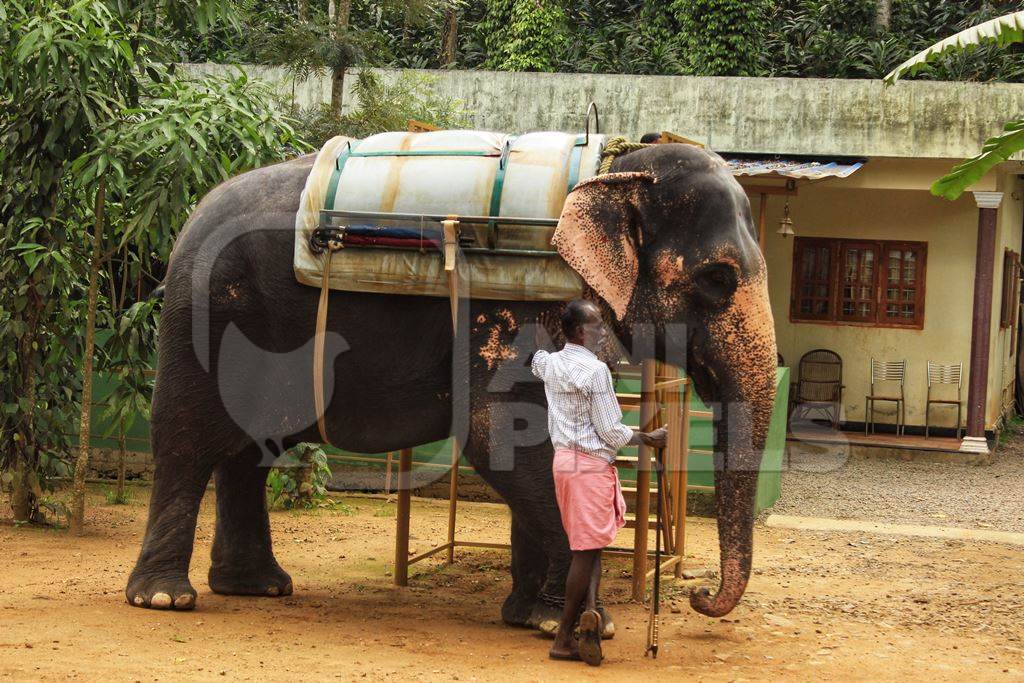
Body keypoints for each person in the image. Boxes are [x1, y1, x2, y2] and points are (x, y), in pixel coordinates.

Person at [532, 299, 668, 665]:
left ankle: (590, 614)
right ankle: (564, 637)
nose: (603, 331)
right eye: (596, 325)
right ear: (579, 331)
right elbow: (610, 430)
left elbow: (537, 359)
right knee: (585, 550)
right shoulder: (595, 372)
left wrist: (544, 336)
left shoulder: (550, 363)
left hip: (563, 463)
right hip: (589, 467)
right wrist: (647, 437)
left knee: (589, 546)